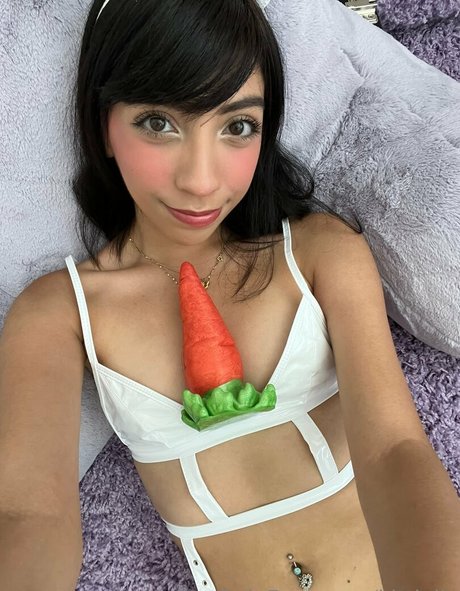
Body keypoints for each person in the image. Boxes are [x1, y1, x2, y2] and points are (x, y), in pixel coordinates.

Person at [0, 0, 458, 590]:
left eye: (237, 126)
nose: (200, 180)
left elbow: (394, 451)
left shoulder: (320, 252)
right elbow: (28, 514)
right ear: (103, 126)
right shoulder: (56, 312)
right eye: (158, 123)